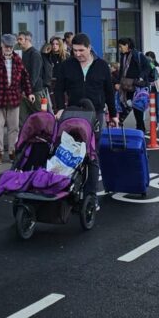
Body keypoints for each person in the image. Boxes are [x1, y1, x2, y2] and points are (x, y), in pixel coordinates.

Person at [52, 32, 116, 197]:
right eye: (75, 50)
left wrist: (114, 114)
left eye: (81, 50)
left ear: (89, 48)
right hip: (73, 113)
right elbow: (58, 89)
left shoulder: (101, 65)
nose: (78, 54)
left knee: (92, 153)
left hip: (96, 113)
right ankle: (66, 188)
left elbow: (109, 91)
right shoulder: (67, 65)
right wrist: (59, 108)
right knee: (69, 150)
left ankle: (90, 195)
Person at [0, 33, 33, 164]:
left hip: (13, 98)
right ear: (1, 45)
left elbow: (25, 77)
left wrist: (29, 93)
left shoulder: (17, 58)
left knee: (14, 127)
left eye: (11, 47)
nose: (8, 49)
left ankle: (12, 151)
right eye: (6, 47)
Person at [115, 37, 152, 133]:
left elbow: (147, 67)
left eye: (120, 46)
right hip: (125, 86)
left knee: (137, 110)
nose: (119, 49)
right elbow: (122, 71)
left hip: (137, 87)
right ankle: (119, 124)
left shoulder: (137, 55)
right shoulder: (123, 56)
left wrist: (140, 77)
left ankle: (140, 129)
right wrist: (118, 82)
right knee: (123, 105)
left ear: (127, 45)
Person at [16, 31, 47, 120]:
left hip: (34, 92)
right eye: (18, 39)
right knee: (23, 118)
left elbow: (34, 75)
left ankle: (42, 134)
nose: (18, 41)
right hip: (25, 91)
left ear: (27, 40)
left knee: (39, 117)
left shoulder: (35, 54)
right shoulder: (24, 53)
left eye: (20, 39)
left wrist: (27, 91)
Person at [145, 51, 159, 130]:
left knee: (157, 107)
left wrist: (154, 68)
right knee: (151, 107)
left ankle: (156, 122)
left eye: (149, 58)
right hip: (149, 88)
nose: (148, 60)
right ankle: (152, 122)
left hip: (158, 89)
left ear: (153, 58)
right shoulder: (146, 66)